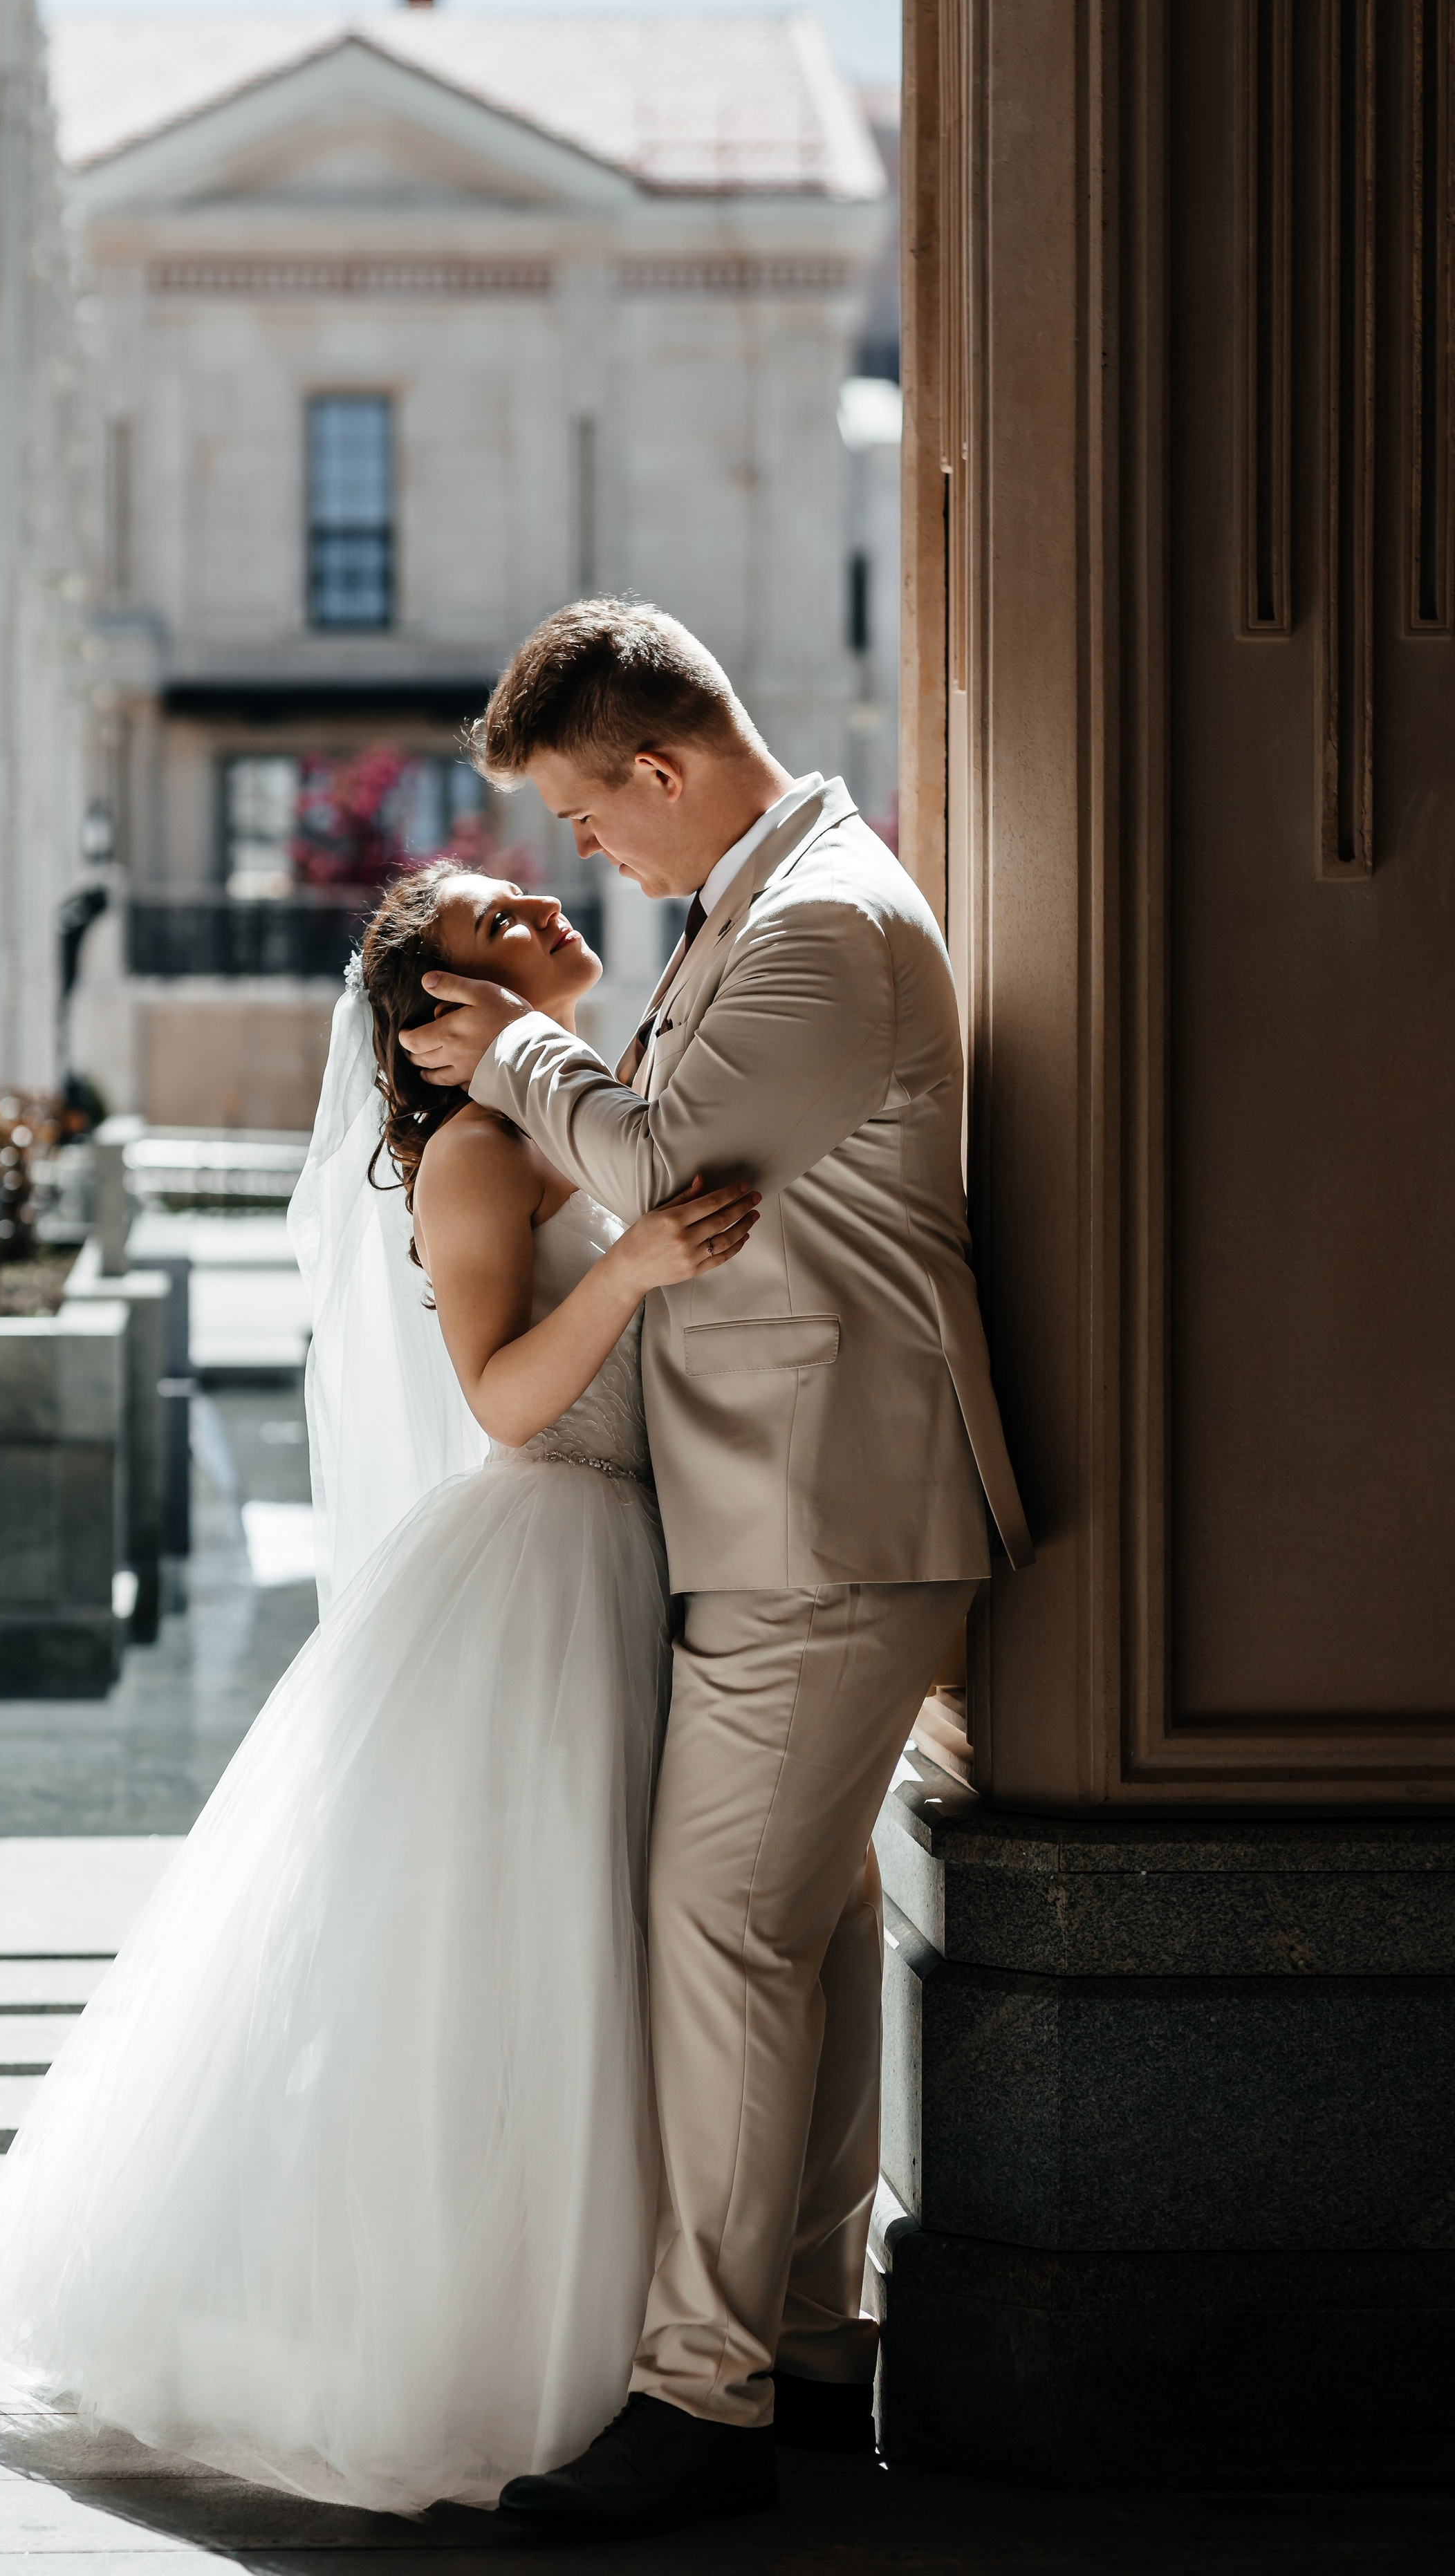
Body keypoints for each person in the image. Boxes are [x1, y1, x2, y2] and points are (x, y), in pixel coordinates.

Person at [0, 860, 758, 2513]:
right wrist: (631, 1271)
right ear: (445, 1015)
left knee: (590, 1958)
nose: (547, 908)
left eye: (532, 895)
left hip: (630, 1562)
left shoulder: (584, 1115)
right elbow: (501, 1402)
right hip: (544, 1568)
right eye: (502, 924)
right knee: (516, 1960)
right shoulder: (477, 1159)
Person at [401, 599, 1032, 2538]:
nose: (592, 864)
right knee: (810, 1941)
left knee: (721, 1941)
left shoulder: (822, 920)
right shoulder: (755, 914)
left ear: (661, 774)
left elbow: (668, 1155)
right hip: (802, 1512)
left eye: (593, 827)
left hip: (827, 1519)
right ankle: (809, 2351)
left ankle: (701, 2396)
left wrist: (513, 1053)